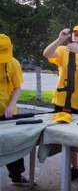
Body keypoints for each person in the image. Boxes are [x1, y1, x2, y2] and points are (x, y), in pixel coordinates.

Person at [43, 24, 78, 184]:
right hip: (63, 101)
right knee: (68, 138)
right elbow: (47, 53)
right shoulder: (63, 51)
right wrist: (60, 39)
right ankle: (75, 167)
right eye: (75, 35)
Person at [0, 34, 29, 186]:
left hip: (7, 110)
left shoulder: (13, 63)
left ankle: (16, 176)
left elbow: (17, 87)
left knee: (13, 144)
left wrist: (11, 106)